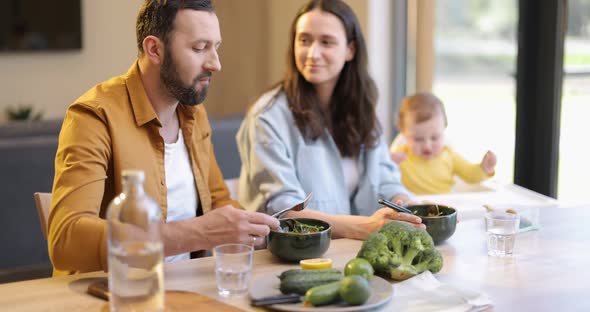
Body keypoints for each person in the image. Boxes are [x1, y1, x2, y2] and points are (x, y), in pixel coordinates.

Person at [48, 0, 279, 276]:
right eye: (199, 48)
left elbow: (217, 201)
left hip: (191, 287)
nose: (215, 64)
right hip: (116, 293)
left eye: (216, 47)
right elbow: (67, 240)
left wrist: (251, 227)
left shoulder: (193, 113)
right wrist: (196, 233)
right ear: (154, 49)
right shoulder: (94, 116)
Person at [236, 0, 423, 241]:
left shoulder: (362, 107)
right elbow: (285, 211)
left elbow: (385, 178)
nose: (313, 53)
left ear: (350, 50)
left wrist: (407, 207)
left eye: (326, 42)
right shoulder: (267, 116)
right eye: (304, 40)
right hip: (291, 258)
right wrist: (366, 226)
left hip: (352, 253)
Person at [390, 92, 497, 194]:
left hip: (444, 209)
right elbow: (384, 180)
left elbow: (470, 175)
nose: (427, 145)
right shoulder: (399, 157)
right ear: (403, 133)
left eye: (434, 138)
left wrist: (485, 168)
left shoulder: (449, 156)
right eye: (418, 139)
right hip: (411, 208)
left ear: (444, 129)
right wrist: (390, 163)